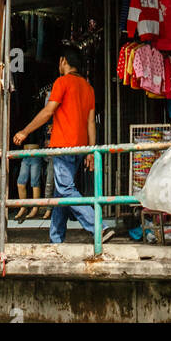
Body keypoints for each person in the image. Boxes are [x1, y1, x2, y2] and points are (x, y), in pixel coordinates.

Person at [13, 45, 113, 245]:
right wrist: (91, 151)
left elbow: (48, 112)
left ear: (63, 61)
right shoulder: (88, 87)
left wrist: (25, 131)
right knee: (61, 192)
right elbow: (90, 122)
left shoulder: (61, 82)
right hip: (80, 147)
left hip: (62, 146)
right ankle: (56, 238)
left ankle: (98, 226)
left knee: (66, 190)